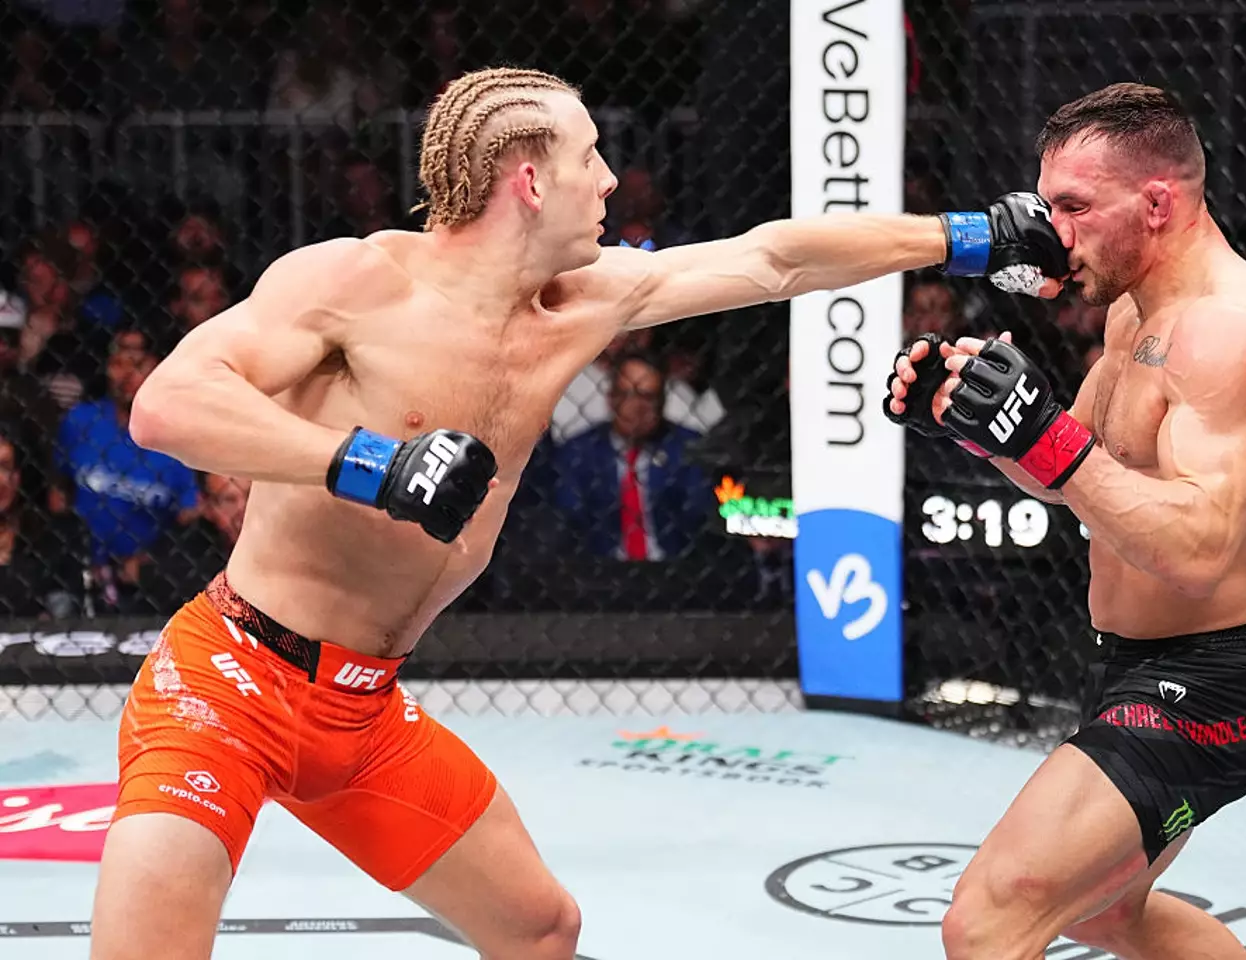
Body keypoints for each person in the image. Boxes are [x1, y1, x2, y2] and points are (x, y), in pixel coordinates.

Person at [90, 66, 1066, 960]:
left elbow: (773, 259)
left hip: (364, 707)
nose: (608, 179)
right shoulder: (359, 282)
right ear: (528, 179)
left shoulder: (587, 301)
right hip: (232, 680)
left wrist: (965, 236)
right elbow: (167, 406)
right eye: (589, 156)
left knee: (540, 929)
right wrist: (370, 464)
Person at [885, 83, 1246, 960]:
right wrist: (975, 427)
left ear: (1157, 203)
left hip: (1207, 685)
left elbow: (1198, 549)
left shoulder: (1229, 329)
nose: (1054, 232)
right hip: (1129, 661)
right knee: (1104, 912)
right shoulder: (1130, 308)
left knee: (987, 918)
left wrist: (1044, 438)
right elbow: (1078, 478)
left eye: (1075, 207)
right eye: (1049, 206)